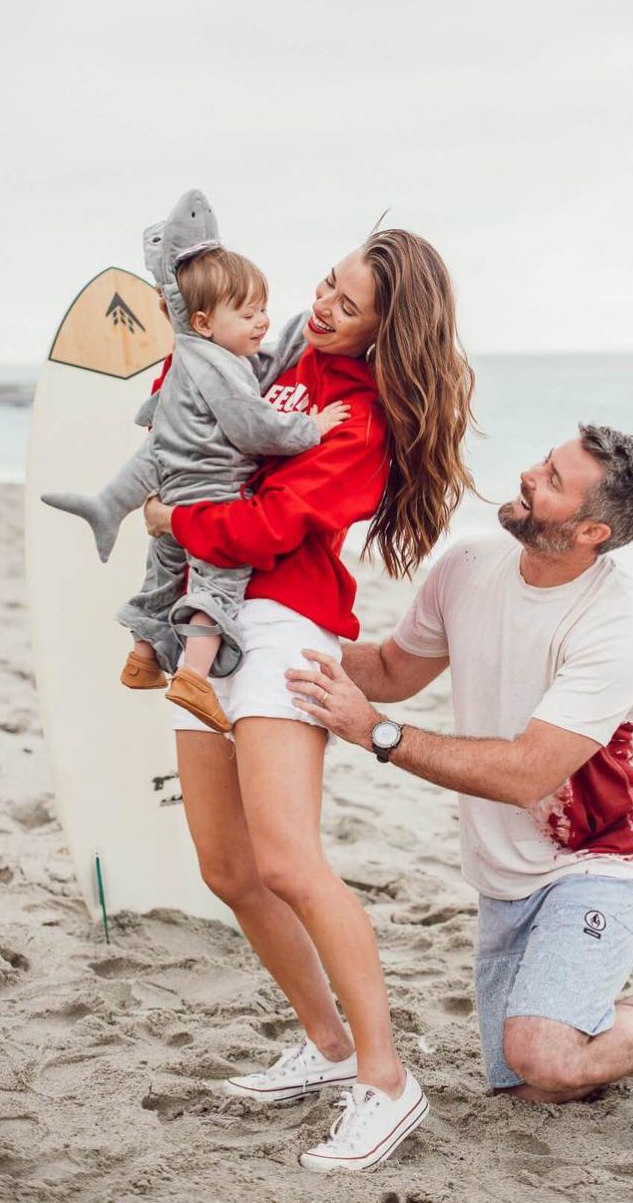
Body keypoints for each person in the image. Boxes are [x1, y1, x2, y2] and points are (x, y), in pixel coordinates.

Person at [286, 425, 633, 1128]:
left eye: (554, 480)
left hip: (600, 860)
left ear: (593, 530)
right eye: (545, 461)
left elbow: (529, 772)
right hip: (503, 871)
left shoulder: (619, 622)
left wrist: (374, 731)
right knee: (523, 1081)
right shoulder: (469, 563)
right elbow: (389, 671)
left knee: (541, 1051)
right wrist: (279, 627)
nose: (529, 475)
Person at [142, 229, 476, 1171]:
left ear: (386, 330)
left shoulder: (363, 419)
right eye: (329, 281)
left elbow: (273, 523)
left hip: (283, 624)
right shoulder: (281, 353)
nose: (325, 303)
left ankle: (385, 1078)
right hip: (202, 618)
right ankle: (327, 1047)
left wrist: (177, 517)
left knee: (289, 860)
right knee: (226, 866)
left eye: (350, 304)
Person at [42, 188, 348, 734]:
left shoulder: (194, 355)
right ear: (204, 322)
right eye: (249, 313)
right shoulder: (223, 369)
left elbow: (237, 380)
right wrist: (313, 428)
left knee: (163, 576)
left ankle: (142, 657)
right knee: (216, 586)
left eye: (264, 311)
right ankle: (193, 678)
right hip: (211, 498)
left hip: (172, 495)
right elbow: (253, 424)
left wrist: (292, 337)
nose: (261, 322)